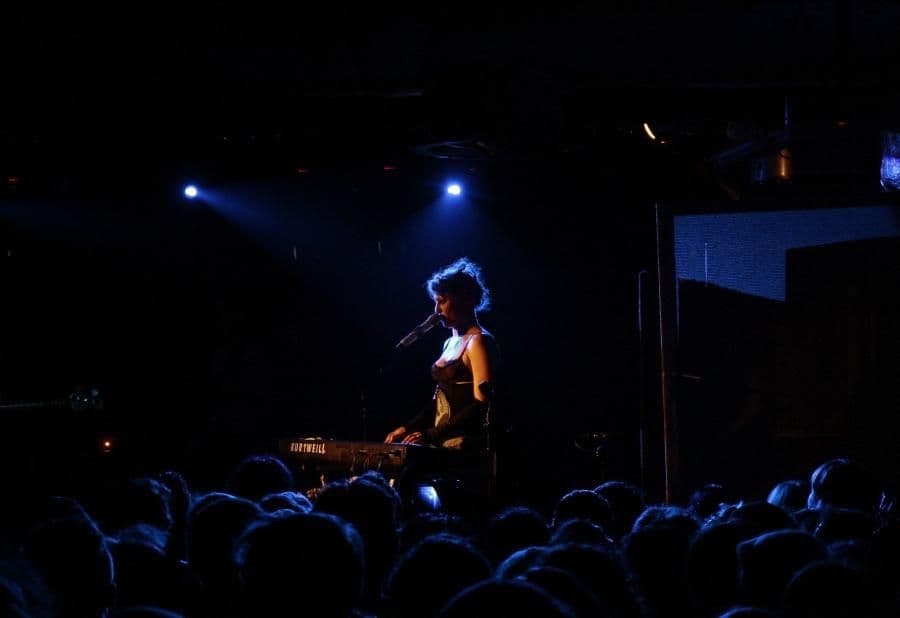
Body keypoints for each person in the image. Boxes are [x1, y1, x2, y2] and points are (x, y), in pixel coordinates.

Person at [384, 257, 500, 451]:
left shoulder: (477, 342)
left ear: (464, 300)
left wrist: (430, 435)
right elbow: (438, 402)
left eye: (442, 301)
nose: (437, 310)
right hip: (444, 440)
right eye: (436, 302)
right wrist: (406, 428)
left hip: (464, 444)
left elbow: (481, 404)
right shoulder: (449, 343)